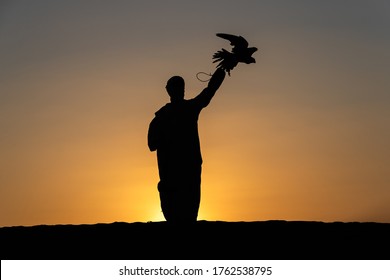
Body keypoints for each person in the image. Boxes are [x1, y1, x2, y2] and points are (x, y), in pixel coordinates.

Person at [148, 67, 226, 223]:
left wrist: (223, 70)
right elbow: (152, 144)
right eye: (177, 87)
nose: (179, 90)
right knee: (179, 213)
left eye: (180, 87)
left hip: (186, 169)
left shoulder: (173, 113)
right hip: (176, 171)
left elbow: (210, 91)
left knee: (187, 213)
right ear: (170, 90)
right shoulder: (165, 116)